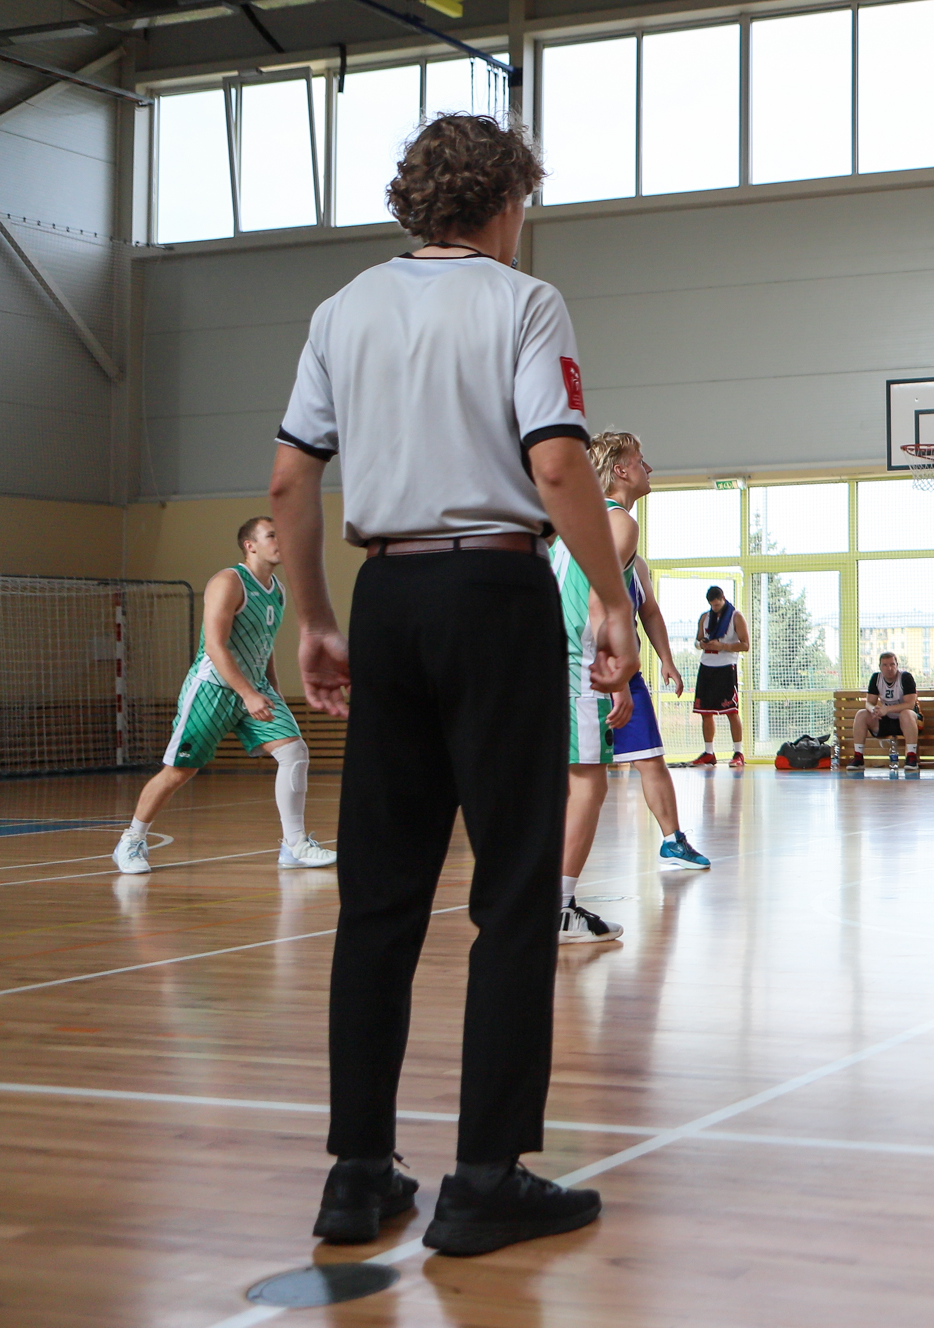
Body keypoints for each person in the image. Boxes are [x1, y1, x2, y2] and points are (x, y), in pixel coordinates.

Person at [269, 113, 631, 1256]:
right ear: (507, 201)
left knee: (378, 894)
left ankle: (355, 1172)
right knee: (513, 889)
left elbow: (290, 482)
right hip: (495, 595)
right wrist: (612, 599)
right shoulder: (524, 302)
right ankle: (484, 1178)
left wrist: (320, 621)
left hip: (388, 599)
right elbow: (559, 461)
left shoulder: (342, 311)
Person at [111, 517, 336, 874]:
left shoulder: (276, 589)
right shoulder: (228, 582)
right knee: (179, 772)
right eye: (272, 535)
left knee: (294, 751)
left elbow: (265, 646)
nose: (282, 540)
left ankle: (294, 845)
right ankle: (132, 840)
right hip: (212, 689)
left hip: (254, 687)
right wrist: (247, 693)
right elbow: (215, 646)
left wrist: (271, 690)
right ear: (251, 545)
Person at [553, 433, 708, 947]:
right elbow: (599, 600)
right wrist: (612, 668)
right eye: (640, 460)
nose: (648, 467)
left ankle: (541, 898)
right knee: (587, 786)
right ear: (619, 470)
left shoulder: (574, 522)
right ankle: (557, 908)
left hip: (551, 659)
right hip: (577, 663)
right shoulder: (619, 521)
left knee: (569, 782)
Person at [692, 585, 747, 766]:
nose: (715, 608)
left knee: (731, 711)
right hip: (707, 666)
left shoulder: (736, 616)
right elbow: (698, 640)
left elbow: (745, 644)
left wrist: (723, 645)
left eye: (717, 604)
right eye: (712, 605)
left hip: (726, 666)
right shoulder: (705, 617)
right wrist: (703, 644)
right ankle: (709, 752)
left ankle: (738, 753)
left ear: (723, 598)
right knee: (705, 712)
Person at [850, 652, 921, 768]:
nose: (889, 668)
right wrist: (873, 709)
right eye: (885, 665)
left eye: (892, 664)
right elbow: (868, 702)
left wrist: (887, 709)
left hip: (908, 723)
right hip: (886, 721)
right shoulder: (876, 678)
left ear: (897, 665)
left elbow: (910, 704)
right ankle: (858, 756)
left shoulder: (905, 677)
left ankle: (911, 756)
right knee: (861, 714)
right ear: (880, 667)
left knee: (906, 714)